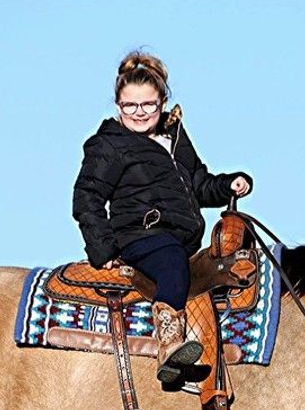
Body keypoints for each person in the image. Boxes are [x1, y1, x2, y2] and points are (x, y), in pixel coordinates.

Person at [73, 51, 252, 385]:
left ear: (163, 102)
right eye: (131, 106)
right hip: (140, 236)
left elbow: (199, 183)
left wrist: (228, 183)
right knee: (171, 262)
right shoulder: (109, 145)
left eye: (148, 105)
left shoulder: (175, 139)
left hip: (180, 238)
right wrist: (103, 249)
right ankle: (169, 344)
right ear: (118, 106)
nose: (140, 113)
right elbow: (87, 196)